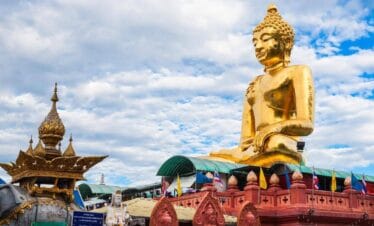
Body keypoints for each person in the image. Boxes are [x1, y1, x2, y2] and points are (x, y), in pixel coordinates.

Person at [210, 4, 314, 165]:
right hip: (256, 147)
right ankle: (243, 160)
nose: (258, 47)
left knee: (274, 142)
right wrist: (242, 148)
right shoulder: (255, 82)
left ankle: (246, 160)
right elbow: (246, 139)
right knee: (212, 156)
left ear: (285, 42)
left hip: (286, 142)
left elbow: (307, 124)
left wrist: (274, 128)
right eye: (255, 42)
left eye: (265, 39)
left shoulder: (298, 72)